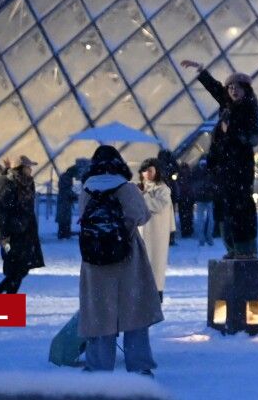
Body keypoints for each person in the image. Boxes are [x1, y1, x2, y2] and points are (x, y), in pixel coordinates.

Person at [77, 145, 163, 375]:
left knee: (99, 314)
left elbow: (82, 218)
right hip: (127, 256)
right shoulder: (126, 188)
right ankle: (139, 367)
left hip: (95, 260)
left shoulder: (86, 189)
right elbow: (142, 216)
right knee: (134, 314)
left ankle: (98, 367)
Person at [179, 61, 258, 259]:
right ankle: (232, 248)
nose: (232, 91)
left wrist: (230, 131)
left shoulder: (248, 109)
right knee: (225, 209)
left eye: (237, 87)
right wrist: (202, 72)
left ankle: (245, 249)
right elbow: (216, 89)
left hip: (239, 170)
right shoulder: (228, 105)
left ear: (245, 90)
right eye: (230, 87)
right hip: (224, 170)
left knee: (239, 208)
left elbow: (252, 138)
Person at [0, 157, 44, 294]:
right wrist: (4, 236)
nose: (30, 169)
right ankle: (0, 295)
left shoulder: (28, 183)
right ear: (20, 168)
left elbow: (29, 209)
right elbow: (2, 211)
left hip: (27, 232)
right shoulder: (7, 183)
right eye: (28, 167)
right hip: (13, 233)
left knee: (22, 269)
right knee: (16, 270)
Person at [136, 158, 173, 300]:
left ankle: (156, 294)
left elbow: (158, 205)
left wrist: (143, 197)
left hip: (158, 233)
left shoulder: (163, 189)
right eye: (145, 171)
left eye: (150, 170)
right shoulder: (140, 188)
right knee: (142, 263)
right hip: (142, 231)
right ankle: (142, 292)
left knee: (156, 264)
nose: (147, 174)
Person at [191, 158, 216, 247]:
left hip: (201, 198)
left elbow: (193, 184)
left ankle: (202, 239)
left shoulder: (196, 171)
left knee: (200, 220)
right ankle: (209, 237)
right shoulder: (210, 171)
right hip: (208, 197)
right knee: (210, 220)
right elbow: (213, 183)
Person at [174, 162, 195, 239]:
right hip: (189, 197)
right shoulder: (190, 175)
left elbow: (177, 185)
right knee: (189, 214)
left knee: (182, 215)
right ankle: (189, 229)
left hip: (182, 198)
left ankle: (184, 230)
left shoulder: (179, 176)